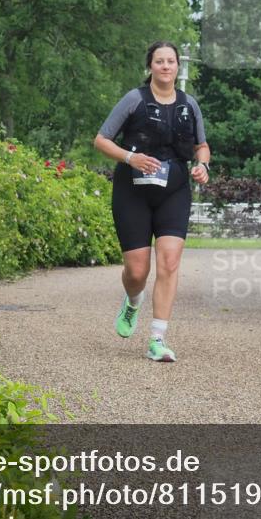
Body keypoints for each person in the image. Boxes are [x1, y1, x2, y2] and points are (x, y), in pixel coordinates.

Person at [93, 42, 210, 362]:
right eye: (159, 61)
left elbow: (202, 146)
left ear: (177, 67)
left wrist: (203, 166)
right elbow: (101, 140)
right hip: (132, 192)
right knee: (137, 270)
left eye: (171, 61)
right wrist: (130, 157)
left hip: (174, 191)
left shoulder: (190, 105)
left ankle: (157, 339)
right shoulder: (134, 99)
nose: (166, 66)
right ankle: (133, 301)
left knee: (170, 262)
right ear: (150, 67)